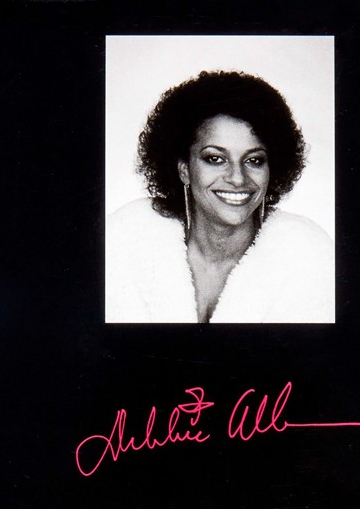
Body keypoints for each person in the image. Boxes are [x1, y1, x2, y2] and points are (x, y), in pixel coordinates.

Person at [106, 70, 334, 324]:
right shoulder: (125, 244)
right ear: (184, 170)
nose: (237, 178)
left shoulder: (305, 257)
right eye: (215, 159)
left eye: (254, 160)